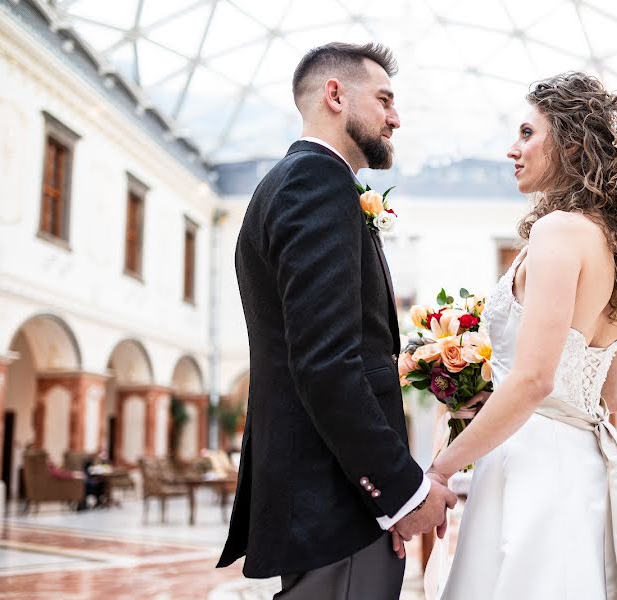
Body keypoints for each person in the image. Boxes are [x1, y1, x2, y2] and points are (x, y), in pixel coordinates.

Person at [427, 72, 617, 599]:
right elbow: (611, 396)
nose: (512, 149)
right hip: (584, 461)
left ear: (570, 142)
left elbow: (533, 381)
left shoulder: (558, 231)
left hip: (531, 465)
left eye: (527, 133)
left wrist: (438, 470)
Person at [216, 42, 457, 599]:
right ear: (334, 95)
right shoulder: (315, 183)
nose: (396, 117)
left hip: (328, 496)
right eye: (384, 100)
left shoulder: (294, 182)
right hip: (335, 502)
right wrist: (400, 493)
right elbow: (326, 363)